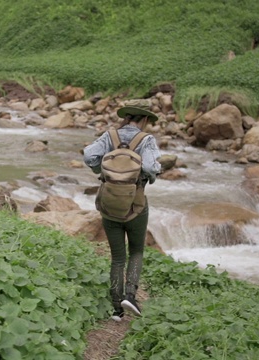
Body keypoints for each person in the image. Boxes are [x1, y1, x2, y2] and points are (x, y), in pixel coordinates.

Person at [83, 105, 162, 321]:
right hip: (135, 205)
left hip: (108, 204)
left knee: (117, 257)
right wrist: (148, 177)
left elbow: (89, 156)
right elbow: (151, 167)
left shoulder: (110, 135)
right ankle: (130, 295)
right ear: (144, 119)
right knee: (136, 251)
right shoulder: (146, 140)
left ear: (126, 117)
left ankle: (116, 308)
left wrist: (104, 172)